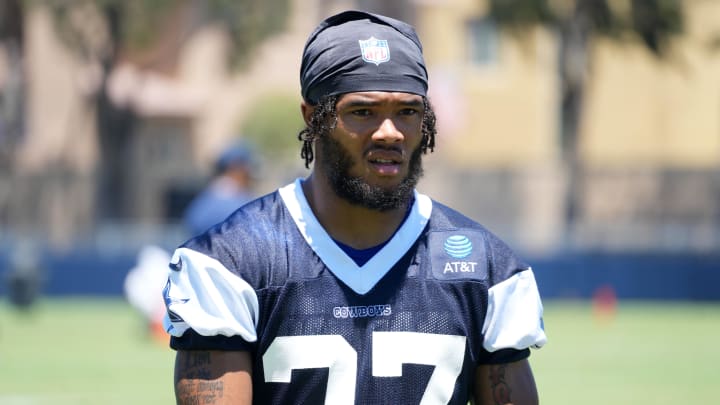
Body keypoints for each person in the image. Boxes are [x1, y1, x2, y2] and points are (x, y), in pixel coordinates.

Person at [162, 10, 546, 405]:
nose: (390, 132)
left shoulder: (488, 269)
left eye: (408, 112)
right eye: (363, 112)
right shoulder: (231, 261)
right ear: (313, 118)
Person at [182, 141, 257, 237]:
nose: (250, 178)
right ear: (236, 167)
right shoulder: (241, 204)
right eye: (248, 171)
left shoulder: (203, 202)